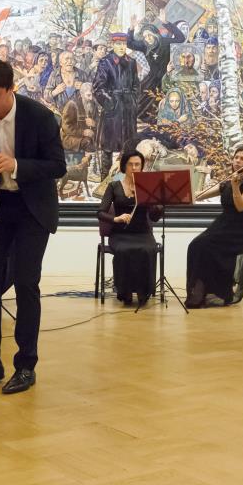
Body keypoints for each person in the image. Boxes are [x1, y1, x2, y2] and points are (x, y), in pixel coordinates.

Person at [0, 59, 67, 396]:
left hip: (31, 208)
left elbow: (57, 166)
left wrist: (15, 165)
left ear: (11, 89)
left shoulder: (39, 116)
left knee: (25, 283)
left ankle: (25, 365)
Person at [185, 146, 243, 307]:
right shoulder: (226, 183)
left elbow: (241, 207)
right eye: (236, 157)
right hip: (224, 224)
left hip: (240, 230)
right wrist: (186, 194)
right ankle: (199, 290)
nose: (238, 161)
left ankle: (217, 291)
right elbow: (199, 196)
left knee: (204, 246)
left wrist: (235, 187)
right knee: (196, 245)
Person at [97, 150, 162, 306]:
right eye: (130, 164)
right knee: (124, 250)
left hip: (143, 233)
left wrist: (158, 206)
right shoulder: (114, 186)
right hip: (120, 233)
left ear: (142, 166)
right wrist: (116, 218)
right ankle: (124, 291)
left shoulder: (147, 187)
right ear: (124, 166)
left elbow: (154, 218)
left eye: (137, 164)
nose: (134, 168)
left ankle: (143, 291)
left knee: (148, 250)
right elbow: (100, 213)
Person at [92, 32, 140, 177]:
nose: (121, 47)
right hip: (112, 112)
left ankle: (127, 178)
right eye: (118, 44)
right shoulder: (105, 62)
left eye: (124, 44)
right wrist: (110, 103)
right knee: (108, 147)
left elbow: (136, 85)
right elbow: (98, 88)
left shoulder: (131, 62)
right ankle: (104, 180)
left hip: (128, 110)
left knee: (129, 146)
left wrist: (133, 101)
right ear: (112, 45)